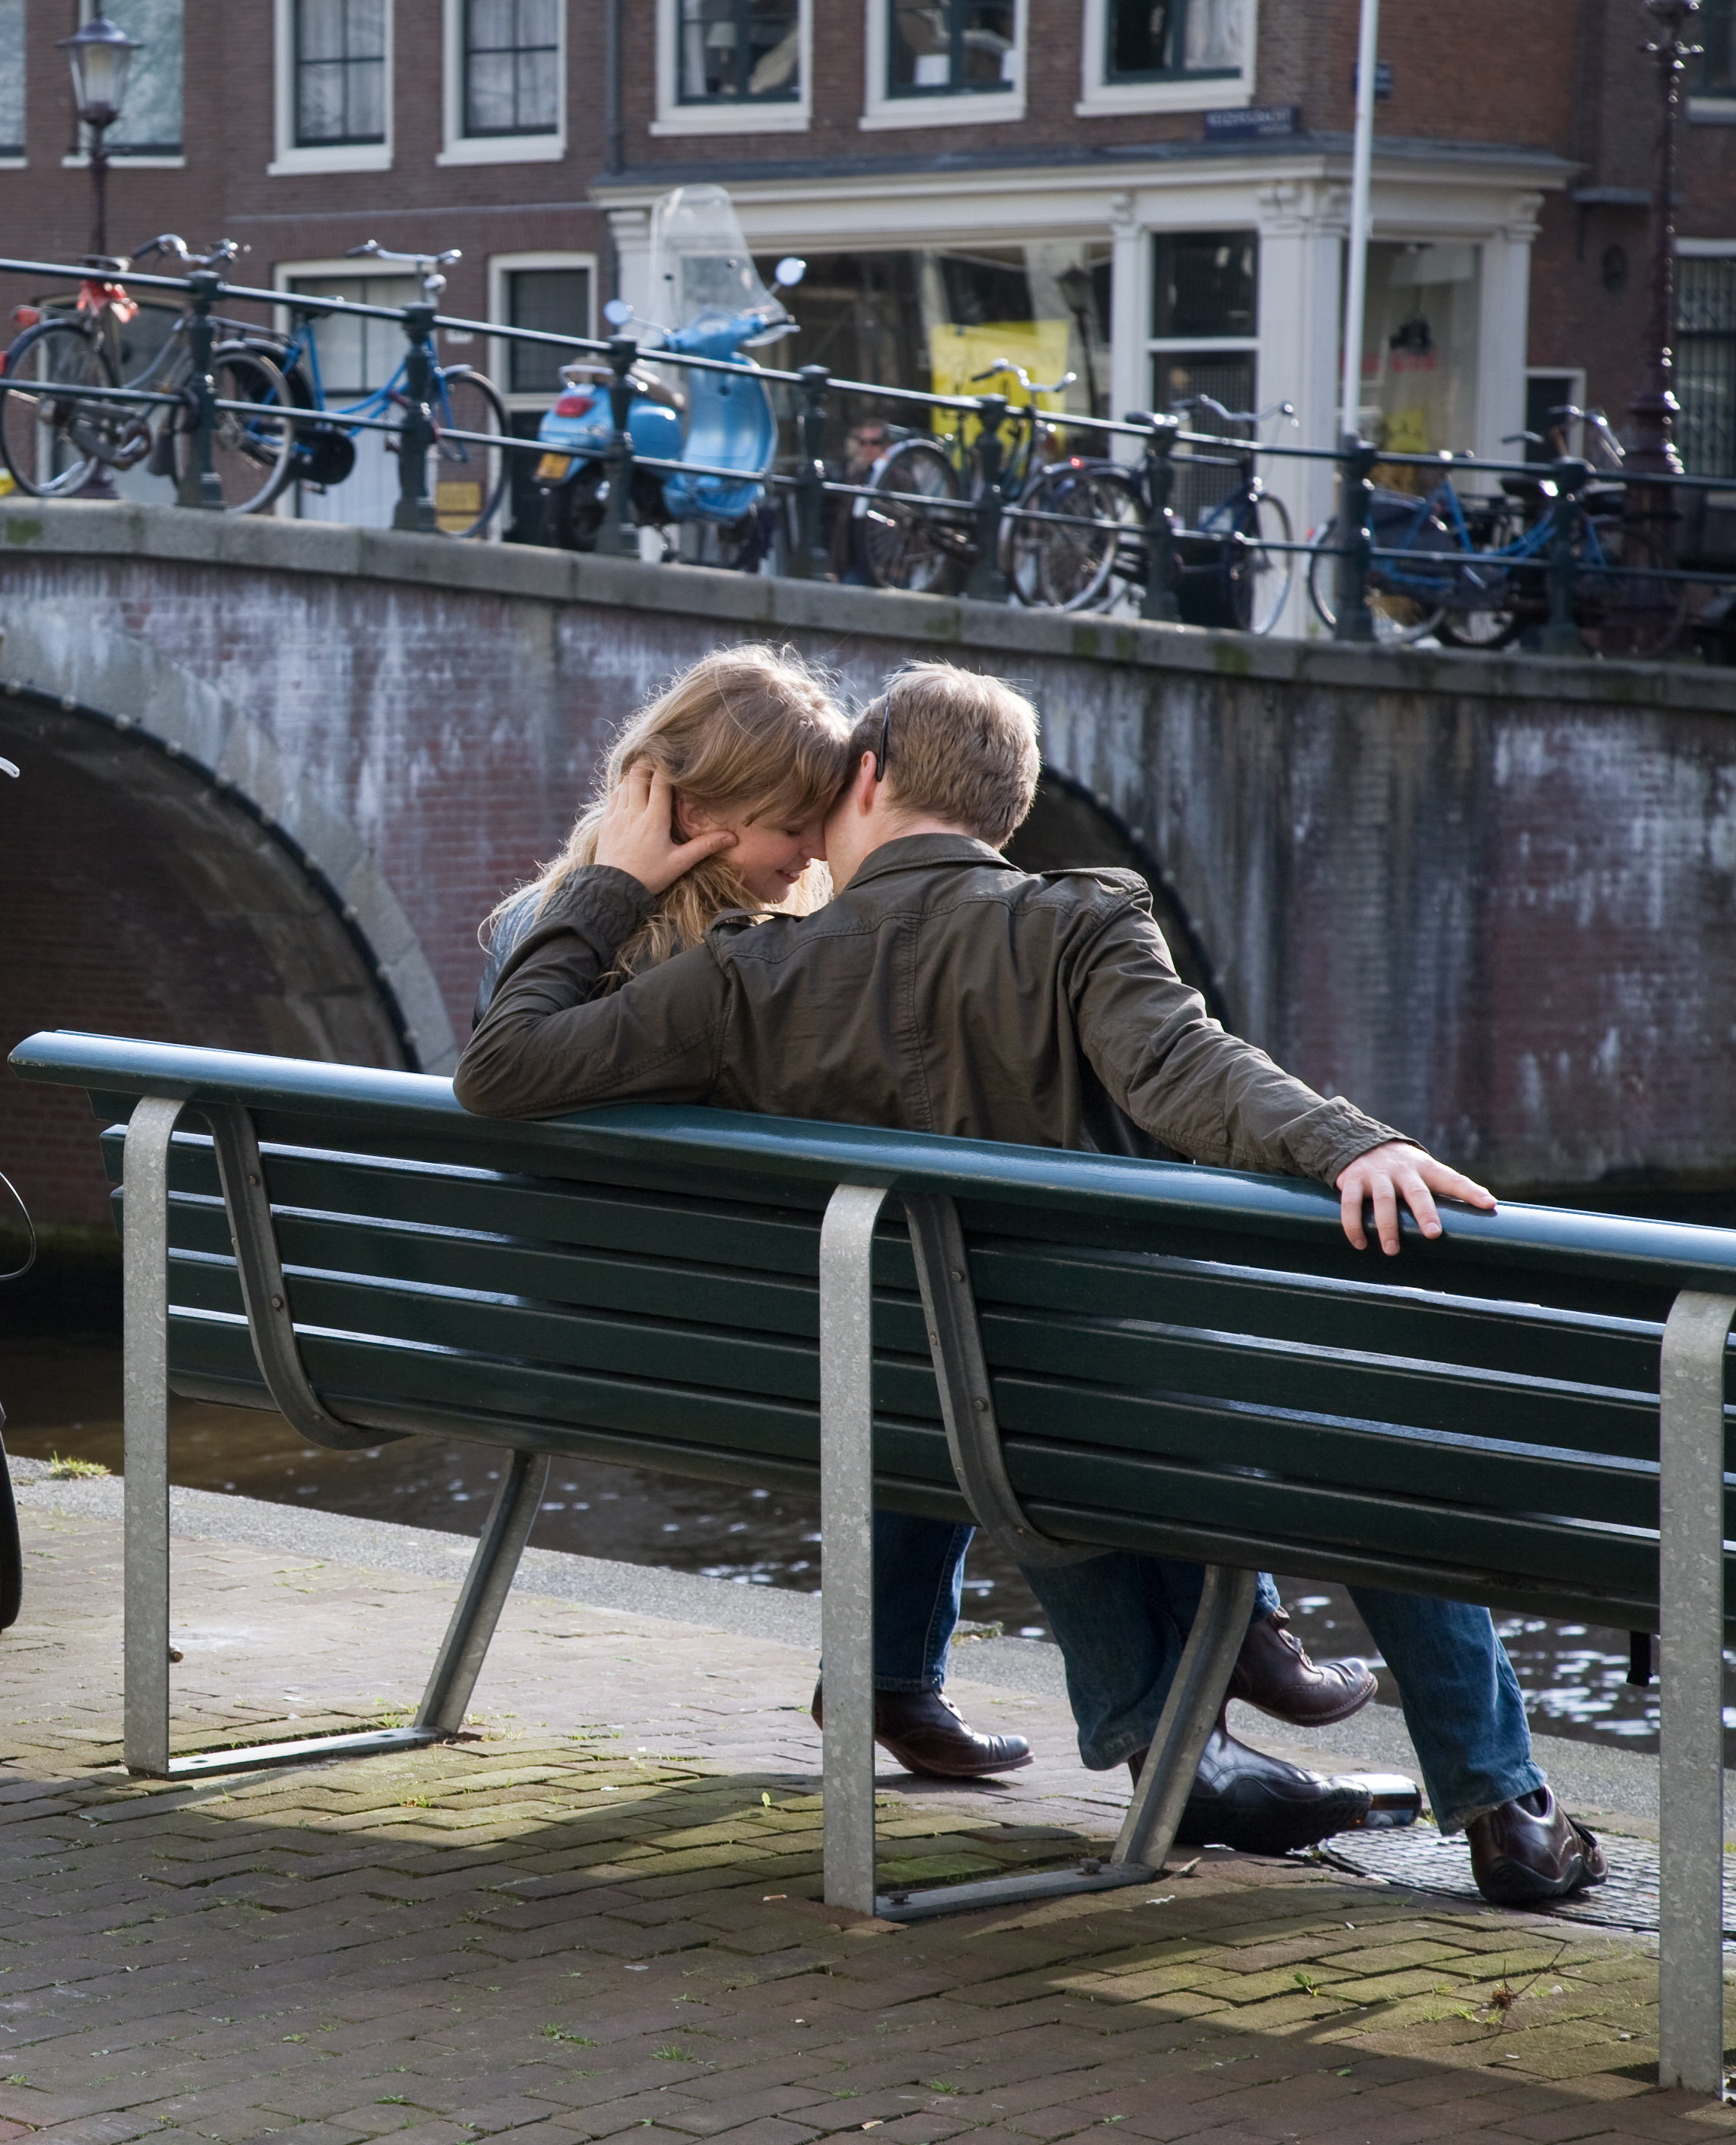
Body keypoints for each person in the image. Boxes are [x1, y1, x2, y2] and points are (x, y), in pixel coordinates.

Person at [458, 661, 1601, 1906]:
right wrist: (1349, 1142)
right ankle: (1499, 1802)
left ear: (868, 778)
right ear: (1002, 810)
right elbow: (1182, 1066)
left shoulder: (745, 976)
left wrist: (610, 884)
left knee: (971, 1361)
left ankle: (1167, 1728)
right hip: (1071, 1418)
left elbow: (506, 1065)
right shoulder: (1078, 920)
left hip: (871, 1398)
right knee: (1362, 1422)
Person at [478, 647, 1040, 1784]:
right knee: (949, 1323)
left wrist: (608, 886)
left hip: (572, 1345)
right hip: (753, 1364)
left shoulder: (540, 930)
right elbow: (508, 1068)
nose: (808, 856)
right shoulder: (746, 969)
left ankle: (894, 1680)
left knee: (917, 1311)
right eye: (793, 824)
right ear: (692, 814)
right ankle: (897, 1679)